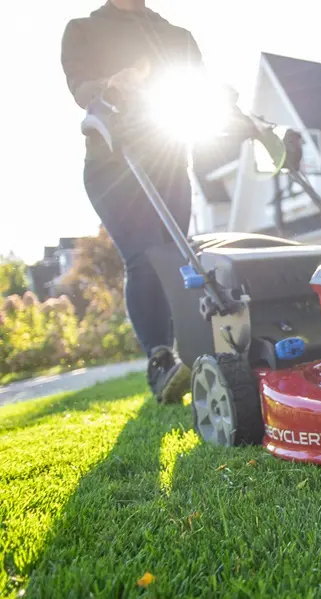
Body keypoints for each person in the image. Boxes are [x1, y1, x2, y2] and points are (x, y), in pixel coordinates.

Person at [61, 0, 205, 404]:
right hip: (113, 163)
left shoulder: (178, 38)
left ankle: (195, 353)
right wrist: (111, 84)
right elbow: (82, 89)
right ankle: (160, 360)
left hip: (169, 162)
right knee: (144, 256)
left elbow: (201, 95)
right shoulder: (83, 29)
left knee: (178, 258)